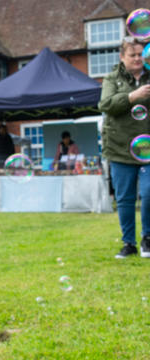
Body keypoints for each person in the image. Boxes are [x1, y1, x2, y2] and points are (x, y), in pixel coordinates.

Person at [99, 36, 150, 259]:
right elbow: (106, 104)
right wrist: (132, 96)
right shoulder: (112, 78)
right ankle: (128, 243)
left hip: (147, 148)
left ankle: (147, 238)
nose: (138, 58)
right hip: (120, 147)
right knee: (125, 198)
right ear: (122, 57)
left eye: (141, 54)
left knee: (148, 193)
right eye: (133, 55)